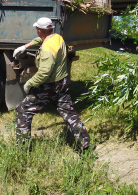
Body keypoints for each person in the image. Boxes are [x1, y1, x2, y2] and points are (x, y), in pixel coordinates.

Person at [13, 17, 93, 152]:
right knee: (69, 113)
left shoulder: (47, 50)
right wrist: (26, 46)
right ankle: (85, 144)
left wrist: (29, 84)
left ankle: (22, 148)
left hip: (49, 86)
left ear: (39, 30)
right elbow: (41, 40)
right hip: (63, 82)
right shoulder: (57, 37)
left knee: (23, 110)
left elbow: (44, 73)